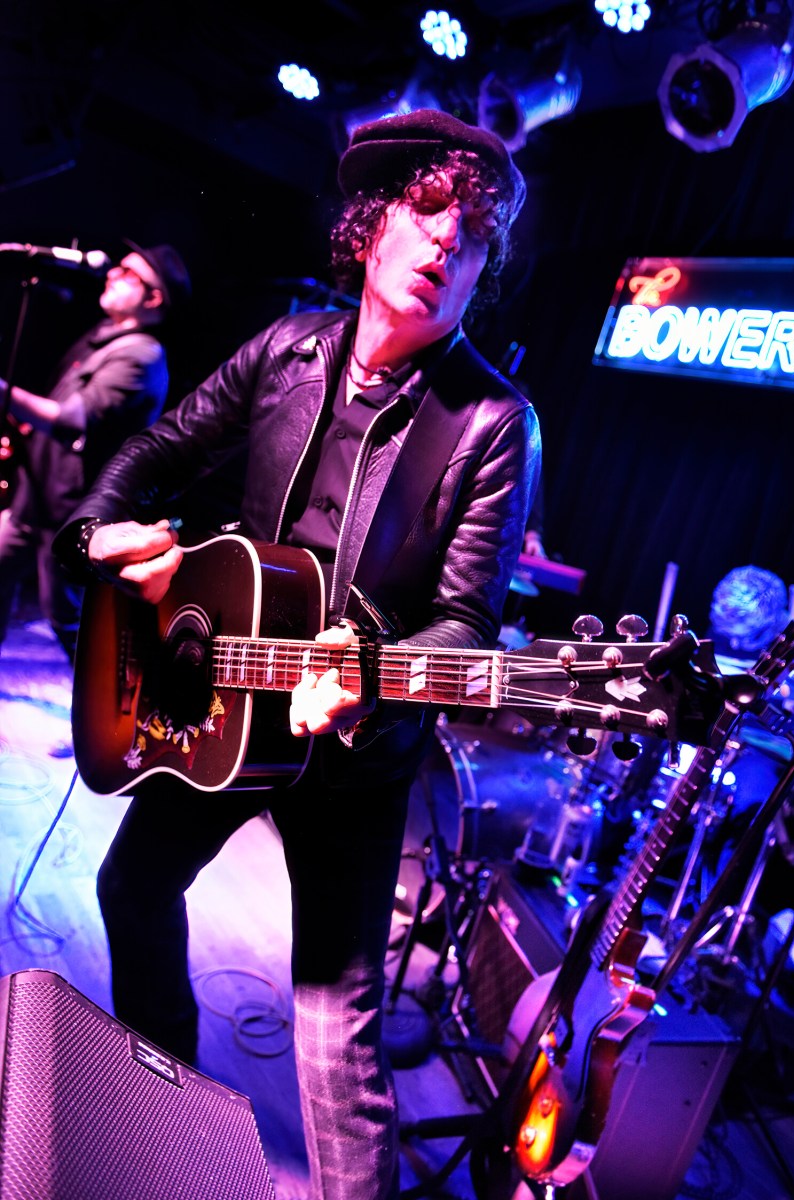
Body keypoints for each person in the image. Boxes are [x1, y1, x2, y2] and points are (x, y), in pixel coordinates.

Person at [53, 109, 541, 1200]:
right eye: (427, 219)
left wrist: (365, 673)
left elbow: (468, 622)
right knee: (131, 886)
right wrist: (97, 534)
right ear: (373, 230)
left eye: (472, 241)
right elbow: (156, 448)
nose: (445, 250)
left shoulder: (493, 425)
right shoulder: (286, 350)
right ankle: (166, 1106)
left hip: (353, 755)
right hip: (221, 709)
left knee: (336, 1033)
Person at [0, 242, 191, 666]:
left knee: (68, 617)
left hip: (69, 511)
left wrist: (5, 394)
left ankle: (107, 713)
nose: (112, 274)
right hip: (35, 497)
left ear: (153, 297)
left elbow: (70, 418)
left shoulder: (141, 354)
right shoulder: (103, 339)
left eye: (128, 272)